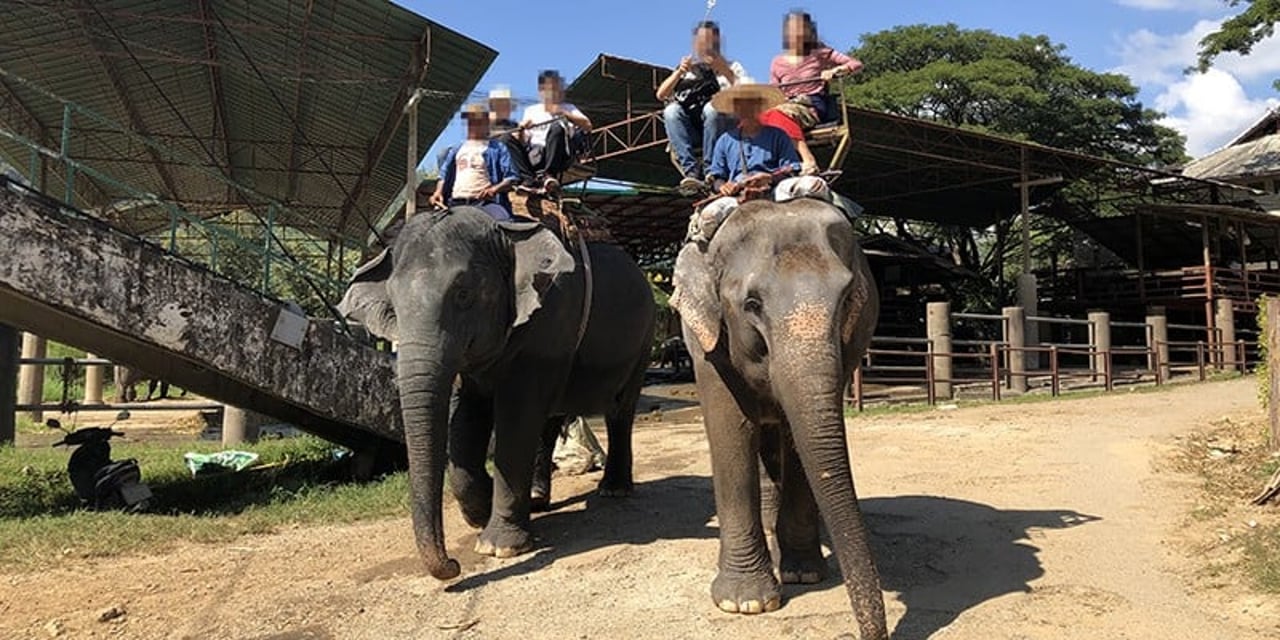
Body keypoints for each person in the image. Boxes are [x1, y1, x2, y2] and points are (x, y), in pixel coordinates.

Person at [688, 82, 832, 243]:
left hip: (775, 190)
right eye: (741, 105)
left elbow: (791, 168)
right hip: (739, 197)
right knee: (708, 218)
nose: (747, 109)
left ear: (760, 107)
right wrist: (723, 186)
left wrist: (769, 178)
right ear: (735, 110)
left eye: (752, 104)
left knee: (813, 185)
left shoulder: (778, 135)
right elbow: (716, 176)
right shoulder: (724, 140)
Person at [760, 10, 863, 175]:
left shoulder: (820, 52)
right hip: (785, 104)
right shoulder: (777, 62)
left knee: (779, 114)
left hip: (810, 104)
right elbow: (774, 91)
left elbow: (856, 64)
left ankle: (808, 159)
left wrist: (836, 70)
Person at [656, 20, 748, 195]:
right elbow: (661, 95)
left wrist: (723, 69)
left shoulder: (732, 66)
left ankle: (711, 170)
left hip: (724, 126)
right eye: (701, 40)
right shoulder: (689, 70)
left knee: (712, 108)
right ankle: (691, 171)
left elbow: (745, 93)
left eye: (709, 40)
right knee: (671, 111)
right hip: (695, 130)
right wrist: (679, 72)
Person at [430, 103, 520, 221]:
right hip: (456, 204)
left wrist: (494, 190)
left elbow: (511, 178)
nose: (473, 125)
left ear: (486, 123)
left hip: (485, 205)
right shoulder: (456, 149)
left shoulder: (498, 148)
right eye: (471, 121)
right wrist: (438, 192)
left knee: (503, 223)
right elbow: (443, 175)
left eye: (478, 121)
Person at [513, 70, 593, 192]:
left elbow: (588, 125)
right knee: (506, 138)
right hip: (535, 153)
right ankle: (527, 179)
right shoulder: (531, 110)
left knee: (556, 127)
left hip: (559, 154)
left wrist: (563, 112)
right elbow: (523, 141)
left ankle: (549, 175)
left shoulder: (568, 107)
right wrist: (521, 129)